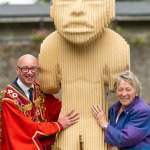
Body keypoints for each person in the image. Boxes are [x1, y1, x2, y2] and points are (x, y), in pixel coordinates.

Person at [39, 0, 129, 149]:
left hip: (95, 122)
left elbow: (50, 86)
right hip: (70, 122)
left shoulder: (117, 45)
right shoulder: (50, 45)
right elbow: (48, 87)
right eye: (66, 4)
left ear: (110, 10)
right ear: (53, 11)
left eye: (92, 4)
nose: (77, 10)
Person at [0, 54, 79, 150]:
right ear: (17, 70)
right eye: (25, 69)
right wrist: (58, 125)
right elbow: (28, 129)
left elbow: (57, 109)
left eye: (33, 69)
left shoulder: (40, 89)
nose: (30, 73)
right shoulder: (9, 100)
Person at [92, 70, 150, 150]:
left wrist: (105, 124)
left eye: (128, 90)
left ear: (136, 91)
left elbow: (126, 138)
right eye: (120, 90)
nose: (124, 94)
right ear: (115, 91)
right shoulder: (114, 109)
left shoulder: (141, 110)